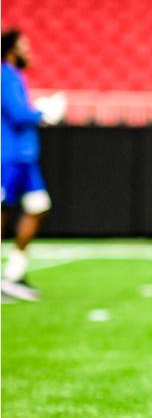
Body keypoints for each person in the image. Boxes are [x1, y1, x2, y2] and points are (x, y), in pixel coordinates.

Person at [2, 29, 63, 303]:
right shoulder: (4, 74)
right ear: (12, 50)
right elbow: (17, 115)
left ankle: (14, 274)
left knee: (38, 207)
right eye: (24, 45)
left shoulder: (17, 77)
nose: (29, 50)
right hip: (8, 157)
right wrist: (43, 112)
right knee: (2, 211)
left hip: (26, 157)